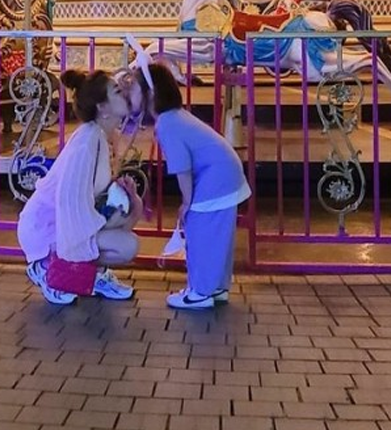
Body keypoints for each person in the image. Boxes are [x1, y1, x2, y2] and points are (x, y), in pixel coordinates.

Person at [127, 58, 251, 310]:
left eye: (135, 88)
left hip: (216, 177)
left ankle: (201, 292)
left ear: (151, 93)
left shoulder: (167, 123)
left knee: (200, 233)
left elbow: (182, 167)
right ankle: (216, 287)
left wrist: (186, 202)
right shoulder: (174, 117)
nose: (131, 93)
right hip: (224, 173)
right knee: (216, 234)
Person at [17, 69, 142, 305]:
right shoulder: (87, 142)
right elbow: (68, 201)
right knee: (127, 244)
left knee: (128, 209)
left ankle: (92, 274)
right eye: (117, 91)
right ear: (102, 108)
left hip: (67, 220)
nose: (124, 93)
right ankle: (49, 268)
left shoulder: (104, 135)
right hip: (46, 228)